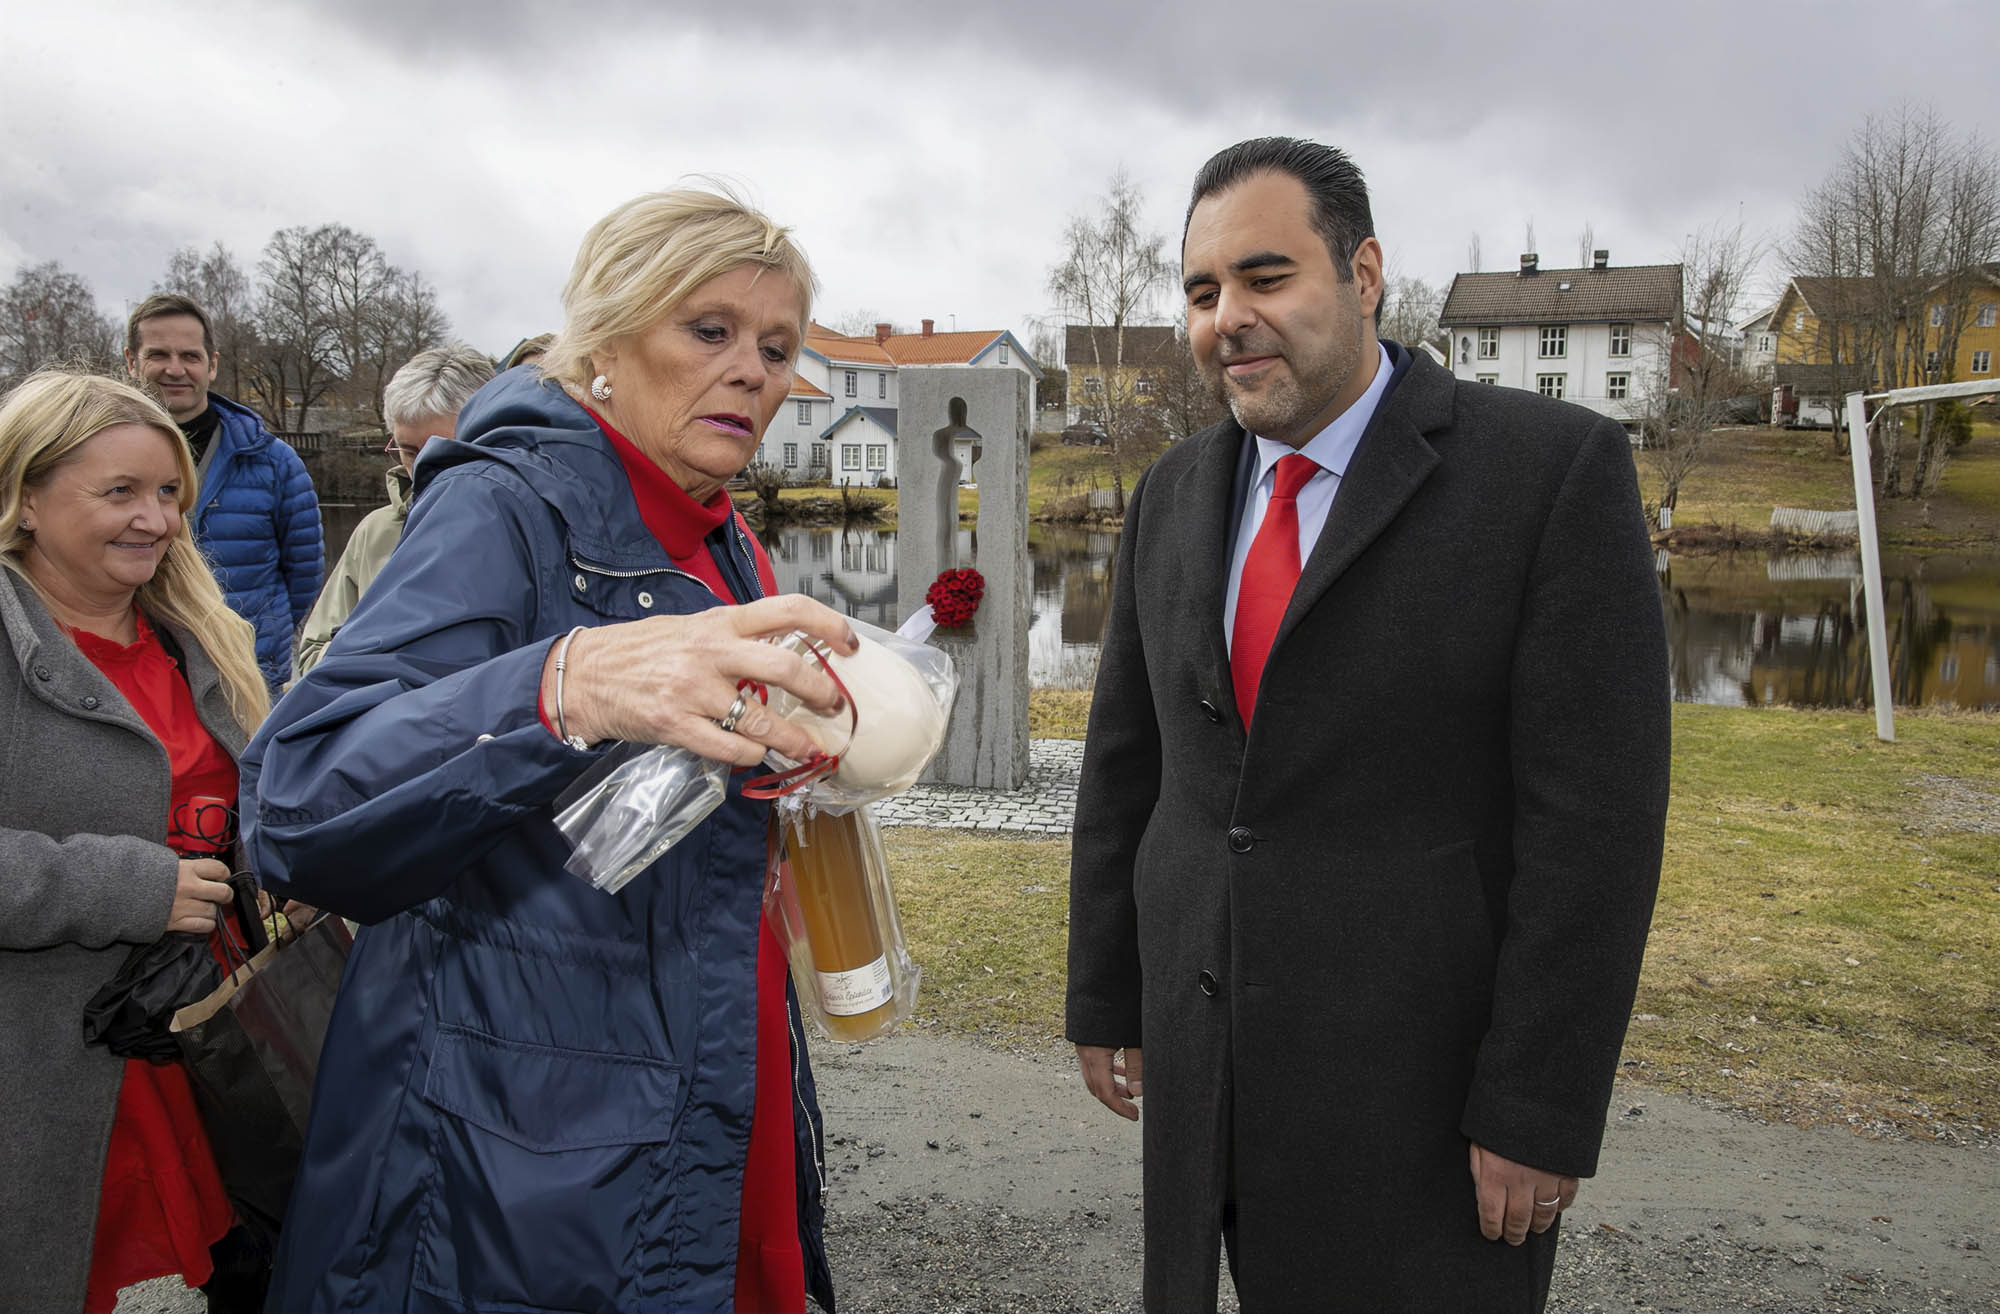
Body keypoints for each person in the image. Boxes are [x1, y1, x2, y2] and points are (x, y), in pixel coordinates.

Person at [1066, 137, 1670, 1313]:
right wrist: (1106, 994)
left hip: (1421, 1105)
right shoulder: (1174, 492)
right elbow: (1128, 768)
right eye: (1200, 293)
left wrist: (1536, 1105)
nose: (1227, 319)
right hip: (1208, 1076)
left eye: (1263, 277)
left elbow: (1594, 824)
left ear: (1363, 273)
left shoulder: (1547, 474)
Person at [242, 188, 859, 1314]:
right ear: (606, 343)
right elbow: (300, 803)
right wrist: (565, 686)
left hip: (709, 1065)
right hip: (516, 1131)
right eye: (709, 330)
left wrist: (807, 756)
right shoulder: (500, 505)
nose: (753, 373)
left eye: (776, 347)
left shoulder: (725, 538)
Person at [0, 372, 273, 1312]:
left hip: (204, 1038)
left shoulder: (201, 632)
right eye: (119, 493)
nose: (155, 520)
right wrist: (120, 887)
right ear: (24, 498)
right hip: (42, 1066)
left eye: (168, 494)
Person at [125, 294, 322, 694]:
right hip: (135, 676)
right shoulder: (97, 459)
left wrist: (258, 637)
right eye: (158, 354)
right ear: (131, 361)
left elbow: (305, 575)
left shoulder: (274, 463)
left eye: (190, 356)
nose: (175, 369)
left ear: (212, 364)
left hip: (244, 674)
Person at [293, 343, 494, 677]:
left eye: (444, 449)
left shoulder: (526, 531)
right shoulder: (375, 532)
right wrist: (379, 651)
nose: (423, 469)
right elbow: (311, 658)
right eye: (409, 450)